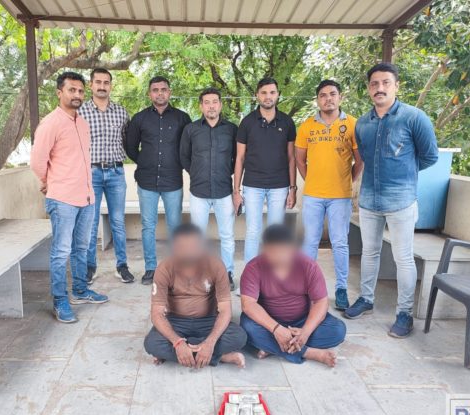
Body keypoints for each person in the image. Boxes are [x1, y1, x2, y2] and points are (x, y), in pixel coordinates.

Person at [344, 63, 438, 338]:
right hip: (369, 199)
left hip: (401, 200)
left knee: (403, 257)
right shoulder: (363, 123)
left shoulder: (414, 117)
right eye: (374, 83)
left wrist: (404, 174)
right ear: (369, 89)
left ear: (396, 85)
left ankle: (404, 313)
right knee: (370, 252)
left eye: (386, 82)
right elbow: (364, 156)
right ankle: (366, 299)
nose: (380, 88)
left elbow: (429, 156)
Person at [30, 72, 109, 323]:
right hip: (62, 198)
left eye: (80, 91)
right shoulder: (50, 123)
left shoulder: (82, 123)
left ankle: (80, 290)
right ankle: (60, 300)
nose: (77, 95)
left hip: (86, 197)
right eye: (71, 90)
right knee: (61, 252)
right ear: (59, 92)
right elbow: (37, 161)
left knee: (82, 247)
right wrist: (49, 181)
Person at [295, 80, 364, 311]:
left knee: (340, 242)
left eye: (332, 94)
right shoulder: (307, 126)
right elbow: (299, 160)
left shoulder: (352, 124)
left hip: (340, 196)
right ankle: (307, 288)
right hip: (313, 195)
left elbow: (359, 160)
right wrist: (311, 180)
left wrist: (347, 181)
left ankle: (341, 289)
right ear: (318, 100)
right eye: (323, 95)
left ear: (340, 97)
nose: (328, 99)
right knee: (310, 242)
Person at [239, 224, 346, 366]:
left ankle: (273, 346)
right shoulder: (253, 267)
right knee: (247, 328)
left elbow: (320, 302)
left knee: (338, 330)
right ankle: (309, 353)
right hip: (269, 322)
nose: (279, 257)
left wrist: (305, 332)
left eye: (284, 251)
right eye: (273, 252)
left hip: (302, 321)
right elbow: (248, 304)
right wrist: (276, 329)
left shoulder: (308, 265)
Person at [143, 223, 247, 368]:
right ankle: (219, 357)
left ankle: (188, 353)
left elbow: (225, 310)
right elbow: (156, 314)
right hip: (176, 321)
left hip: (208, 320)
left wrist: (210, 342)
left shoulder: (216, 265)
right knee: (151, 343)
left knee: (239, 337)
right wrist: (177, 342)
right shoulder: (164, 268)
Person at [126, 76, 192, 285]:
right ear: (149, 94)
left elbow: (188, 147)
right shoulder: (140, 119)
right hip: (147, 181)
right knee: (148, 226)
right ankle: (151, 269)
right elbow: (130, 147)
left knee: (175, 226)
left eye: (163, 89)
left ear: (169, 92)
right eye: (155, 90)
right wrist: (145, 161)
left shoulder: (182, 118)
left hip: (173, 181)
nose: (160, 93)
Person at [78, 68, 134, 285]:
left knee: (118, 221)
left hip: (116, 173)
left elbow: (128, 141)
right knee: (91, 222)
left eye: (106, 82)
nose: (102, 86)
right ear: (91, 85)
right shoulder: (80, 112)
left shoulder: (121, 112)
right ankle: (89, 267)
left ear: (111, 86)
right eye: (98, 82)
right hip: (90, 173)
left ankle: (122, 266)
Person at [233, 78, 298, 264]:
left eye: (272, 92)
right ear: (257, 95)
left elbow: (291, 158)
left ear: (277, 94)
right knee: (253, 231)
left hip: (279, 186)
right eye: (263, 93)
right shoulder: (247, 122)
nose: (268, 96)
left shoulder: (287, 122)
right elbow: (239, 158)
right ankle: (250, 276)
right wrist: (236, 191)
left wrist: (292, 189)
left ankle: (273, 275)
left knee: (275, 233)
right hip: (253, 185)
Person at [180, 87, 238, 291]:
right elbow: (184, 157)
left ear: (220, 105)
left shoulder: (232, 129)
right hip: (199, 191)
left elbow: (238, 158)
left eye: (215, 102)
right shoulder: (191, 129)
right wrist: (197, 173)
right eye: (207, 102)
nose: (211, 106)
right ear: (201, 106)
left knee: (227, 236)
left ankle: (227, 274)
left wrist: (226, 172)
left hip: (224, 191)